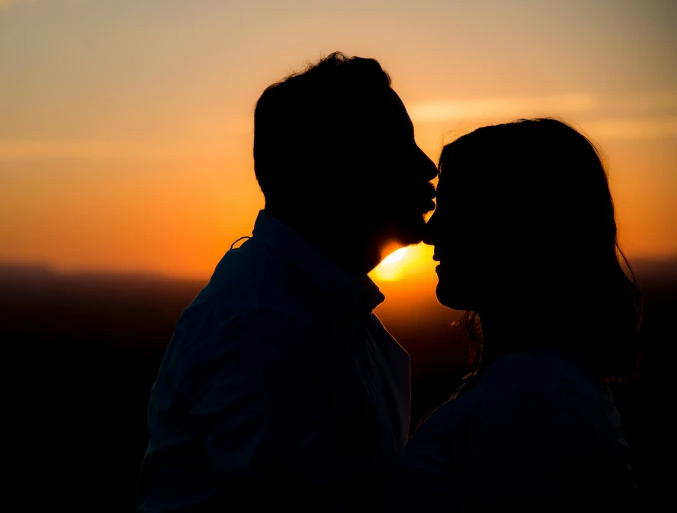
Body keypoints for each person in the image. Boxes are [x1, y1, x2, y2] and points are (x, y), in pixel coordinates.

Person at [135, 52, 438, 512]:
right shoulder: (264, 326)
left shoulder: (313, 311)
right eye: (398, 146)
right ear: (332, 169)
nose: (427, 168)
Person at [387, 118, 643, 512]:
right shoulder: (530, 383)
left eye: (453, 208)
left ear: (514, 225)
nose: (431, 231)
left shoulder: (532, 398)